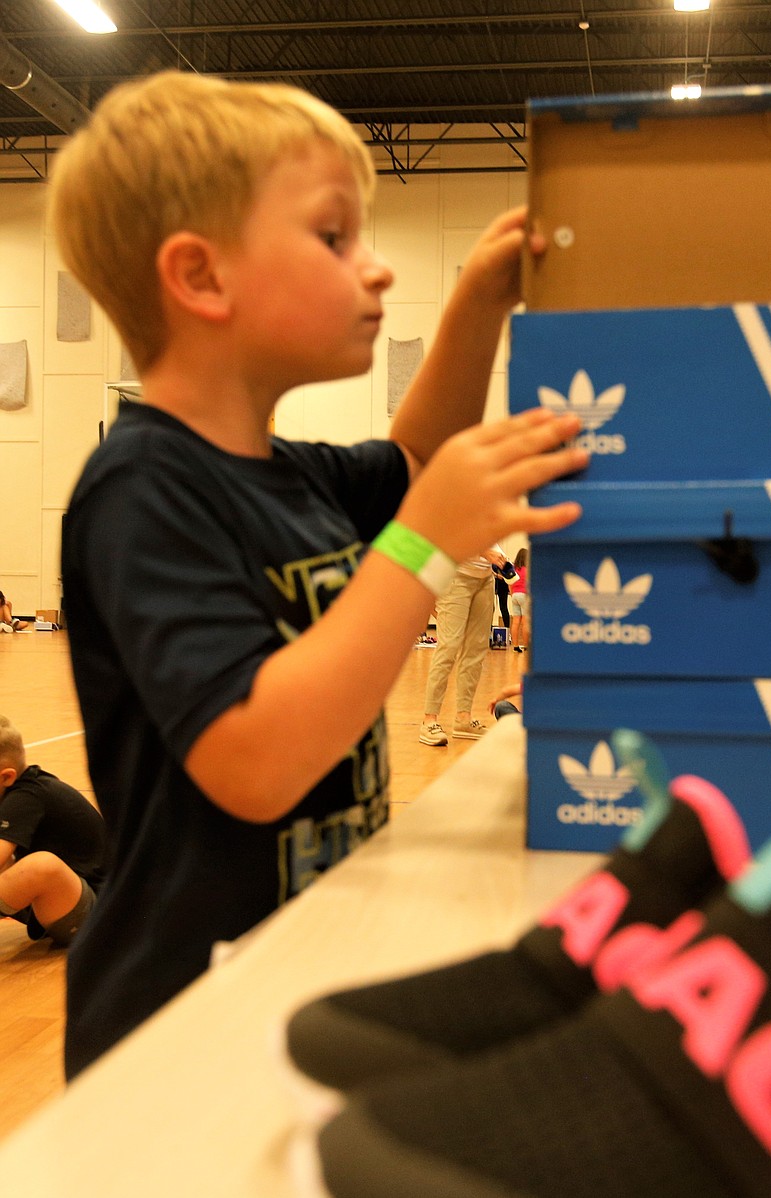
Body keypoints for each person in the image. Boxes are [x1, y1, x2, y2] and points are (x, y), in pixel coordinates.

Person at [47, 70, 587, 1077]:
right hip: (180, 1019)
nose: (376, 272)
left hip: (291, 963)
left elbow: (419, 457)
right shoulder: (142, 489)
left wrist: (481, 294)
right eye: (336, 238)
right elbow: (253, 761)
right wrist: (420, 545)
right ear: (202, 278)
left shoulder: (292, 475)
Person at [0, 717, 105, 948]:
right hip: (69, 901)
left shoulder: (26, 797)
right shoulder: (15, 792)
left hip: (94, 914)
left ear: (6, 777)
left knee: (41, 866)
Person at [419, 546, 507, 745]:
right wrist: (484, 552)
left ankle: (463, 719)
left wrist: (499, 556)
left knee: (476, 651)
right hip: (455, 575)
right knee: (448, 648)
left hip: (485, 578)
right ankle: (429, 721)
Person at [509, 546, 529, 653]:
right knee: (525, 622)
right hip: (524, 595)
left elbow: (509, 582)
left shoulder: (514, 569)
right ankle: (525, 646)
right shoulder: (528, 570)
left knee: (516, 622)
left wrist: (512, 594)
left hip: (515, 595)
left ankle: (515, 646)